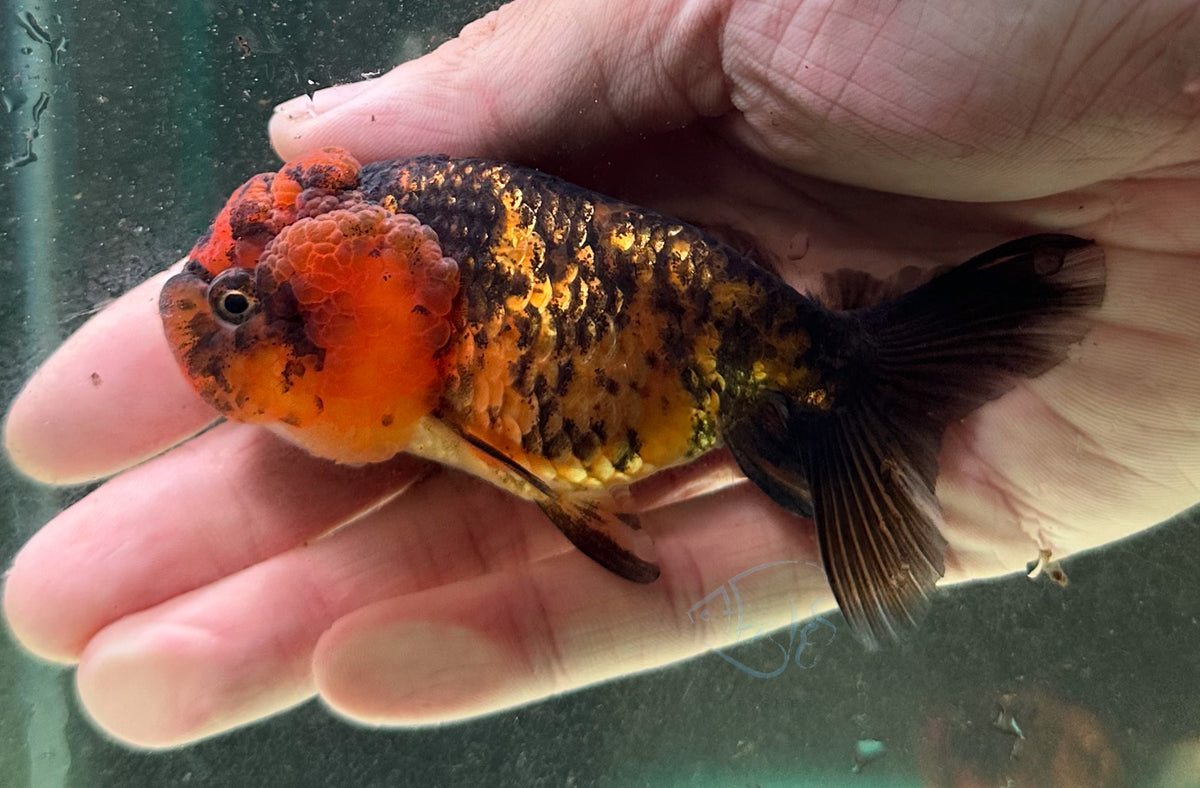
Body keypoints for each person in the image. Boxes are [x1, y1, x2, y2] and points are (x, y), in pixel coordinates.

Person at [4, 0, 1199, 749]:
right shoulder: (392, 263)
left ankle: (860, 385)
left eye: (232, 310)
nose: (211, 327)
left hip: (679, 350)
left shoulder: (401, 266)